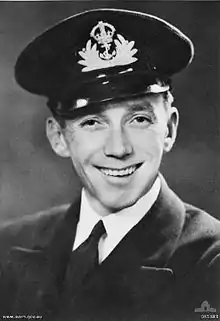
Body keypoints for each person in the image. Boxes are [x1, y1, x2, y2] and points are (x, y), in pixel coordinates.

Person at [0, 8, 219, 321]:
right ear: (58, 137)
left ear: (168, 129)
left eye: (139, 119)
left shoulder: (210, 262)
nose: (119, 148)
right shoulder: (7, 247)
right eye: (92, 122)